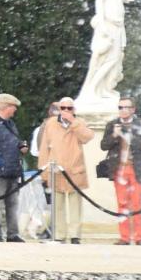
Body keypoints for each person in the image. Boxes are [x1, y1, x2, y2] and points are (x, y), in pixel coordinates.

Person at [37, 96, 95, 244]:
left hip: (75, 170)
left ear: (74, 110)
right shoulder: (50, 124)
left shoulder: (79, 122)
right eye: (63, 108)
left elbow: (88, 137)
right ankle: (59, 235)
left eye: (69, 108)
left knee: (75, 205)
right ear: (59, 109)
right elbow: (44, 147)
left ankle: (75, 235)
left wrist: (73, 123)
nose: (66, 111)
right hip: (56, 170)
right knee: (58, 206)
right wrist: (43, 171)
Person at [101, 96, 141, 245]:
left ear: (133, 110)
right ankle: (124, 237)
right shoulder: (112, 125)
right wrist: (114, 136)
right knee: (122, 204)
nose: (122, 110)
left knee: (137, 204)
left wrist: (131, 137)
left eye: (126, 107)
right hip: (120, 169)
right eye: (120, 107)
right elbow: (104, 145)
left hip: (137, 169)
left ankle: (139, 237)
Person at [0, 93, 29, 243]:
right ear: (7, 107)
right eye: (14, 107)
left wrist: (21, 145)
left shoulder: (10, 124)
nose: (15, 110)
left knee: (12, 204)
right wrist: (0, 163)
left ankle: (12, 234)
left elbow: (12, 141)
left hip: (12, 171)